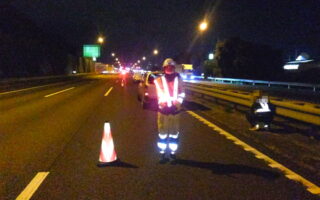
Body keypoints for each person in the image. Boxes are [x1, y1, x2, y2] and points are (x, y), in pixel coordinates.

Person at [154, 58, 185, 163]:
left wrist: (176, 105)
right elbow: (158, 95)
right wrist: (163, 105)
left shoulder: (179, 80)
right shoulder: (159, 80)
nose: (169, 69)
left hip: (175, 112)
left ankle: (172, 154)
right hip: (163, 112)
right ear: (164, 68)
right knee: (162, 134)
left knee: (174, 134)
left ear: (174, 68)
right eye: (167, 67)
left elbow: (182, 94)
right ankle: (162, 154)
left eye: (171, 67)